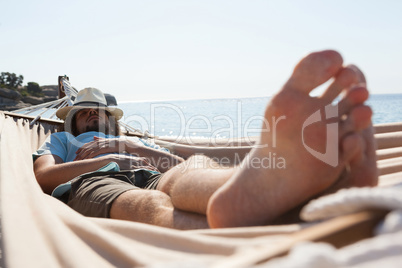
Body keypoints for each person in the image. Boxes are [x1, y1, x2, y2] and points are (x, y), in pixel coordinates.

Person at [33, 50, 378, 230]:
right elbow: (44, 177)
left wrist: (135, 149)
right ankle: (286, 208)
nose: (93, 116)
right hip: (94, 181)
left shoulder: (133, 143)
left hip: (149, 168)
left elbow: (178, 166)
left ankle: (264, 187)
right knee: (152, 206)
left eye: (100, 113)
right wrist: (104, 160)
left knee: (194, 167)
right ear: (72, 121)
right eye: (85, 113)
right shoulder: (62, 141)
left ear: (113, 121)